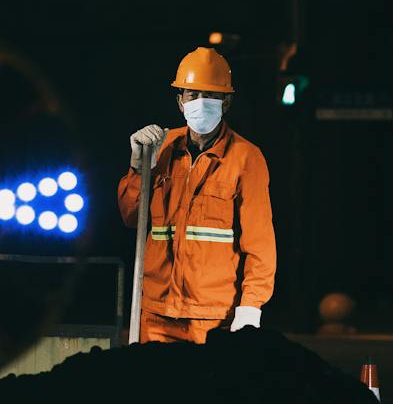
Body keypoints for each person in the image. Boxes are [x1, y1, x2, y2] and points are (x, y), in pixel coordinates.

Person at [118, 47, 276, 342]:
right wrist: (139, 168)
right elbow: (130, 216)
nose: (200, 103)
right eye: (192, 94)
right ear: (180, 101)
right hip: (156, 311)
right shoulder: (160, 147)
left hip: (212, 316)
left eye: (211, 96)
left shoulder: (245, 158)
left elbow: (260, 245)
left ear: (226, 103)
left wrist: (251, 307)